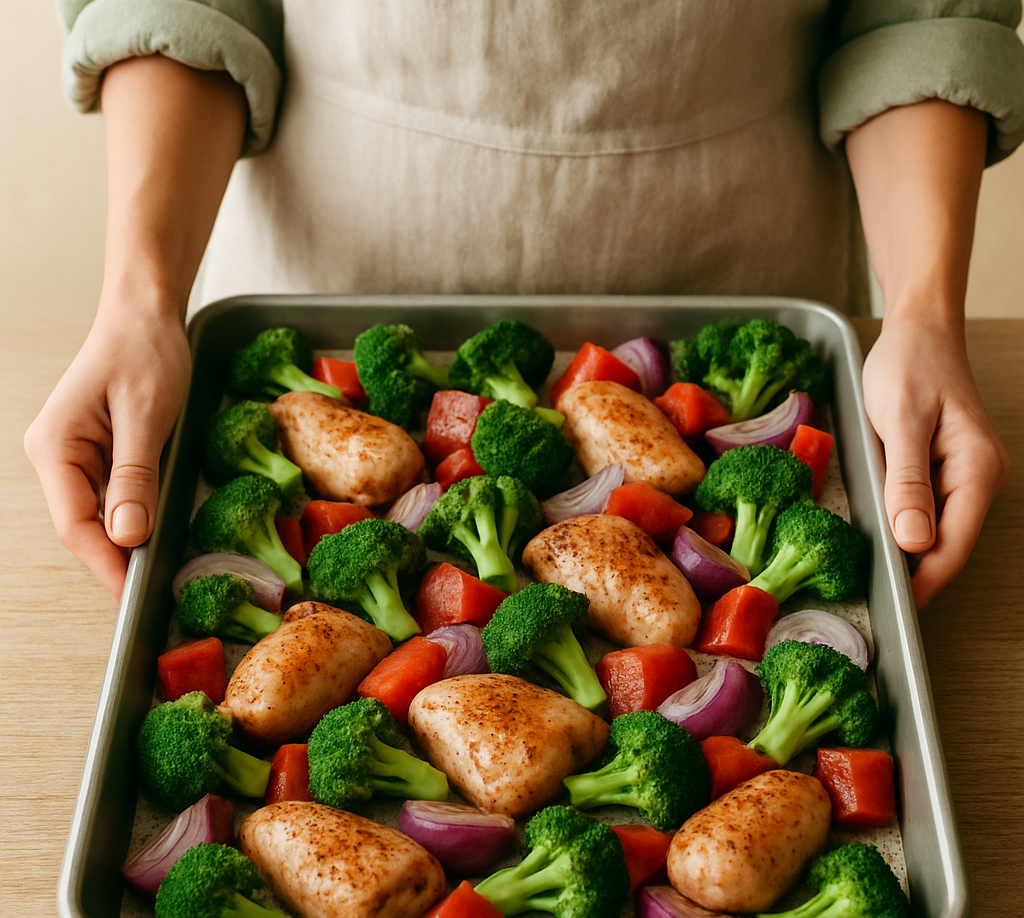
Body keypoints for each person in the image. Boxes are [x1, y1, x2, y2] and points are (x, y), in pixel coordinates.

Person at [25, 1, 1021, 608]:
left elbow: (921, 17)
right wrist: (141, 299)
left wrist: (924, 316)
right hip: (335, 247)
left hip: (738, 241)